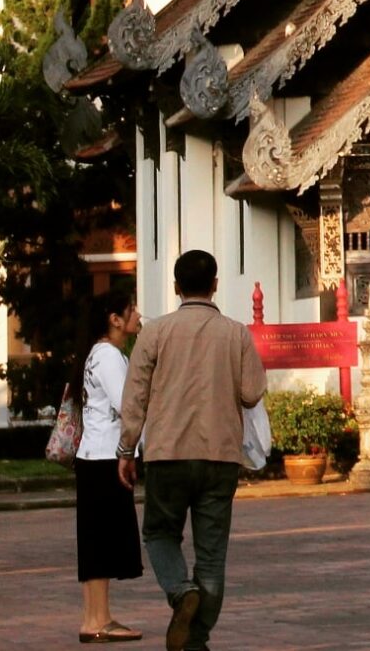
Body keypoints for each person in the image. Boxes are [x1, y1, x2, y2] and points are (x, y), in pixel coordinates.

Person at [117, 250, 264, 651]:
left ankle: (181, 592)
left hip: (167, 453)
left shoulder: (156, 332)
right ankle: (196, 640)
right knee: (212, 554)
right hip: (220, 456)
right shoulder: (235, 333)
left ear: (176, 287)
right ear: (215, 284)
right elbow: (252, 392)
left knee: (160, 534)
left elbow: (135, 398)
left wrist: (126, 449)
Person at [76, 287, 145, 643]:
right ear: (114, 320)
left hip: (93, 456)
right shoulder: (109, 355)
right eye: (130, 309)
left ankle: (94, 617)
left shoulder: (98, 353)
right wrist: (130, 451)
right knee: (101, 541)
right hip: (106, 458)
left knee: (93, 540)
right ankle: (97, 619)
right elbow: (128, 406)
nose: (137, 314)